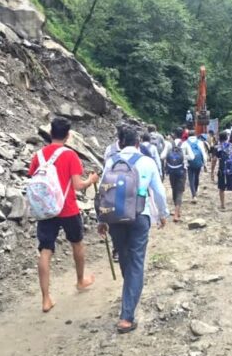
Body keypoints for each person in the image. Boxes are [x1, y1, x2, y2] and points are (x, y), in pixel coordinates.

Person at [97, 128, 169, 333]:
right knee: (136, 262)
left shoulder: (112, 161)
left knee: (124, 256)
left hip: (115, 217)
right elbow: (159, 191)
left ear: (120, 143)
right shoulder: (147, 162)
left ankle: (129, 293)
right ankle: (126, 317)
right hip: (140, 215)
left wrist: (101, 219)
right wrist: (163, 214)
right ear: (138, 143)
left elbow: (103, 191)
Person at [29, 117, 100, 312]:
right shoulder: (70, 155)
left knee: (45, 250)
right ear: (68, 136)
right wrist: (91, 180)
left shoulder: (39, 155)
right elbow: (77, 185)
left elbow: (33, 177)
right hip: (67, 207)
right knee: (77, 243)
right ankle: (80, 281)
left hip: (46, 209)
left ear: (51, 133)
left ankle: (46, 299)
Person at [215, 132, 232, 213]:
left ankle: (223, 205)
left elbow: (214, 159)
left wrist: (212, 171)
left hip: (222, 170)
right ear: (227, 138)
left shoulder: (218, 147)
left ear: (219, 138)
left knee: (221, 188)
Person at [164, 131, 188, 222]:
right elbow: (192, 157)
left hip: (171, 170)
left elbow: (163, 156)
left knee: (174, 188)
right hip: (181, 170)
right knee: (180, 191)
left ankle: (176, 209)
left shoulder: (169, 144)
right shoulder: (185, 144)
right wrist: (185, 158)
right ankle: (176, 213)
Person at [185, 130, 208, 203]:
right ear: (195, 135)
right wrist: (205, 164)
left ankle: (193, 195)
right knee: (197, 177)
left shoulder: (185, 143)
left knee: (191, 179)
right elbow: (203, 153)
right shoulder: (200, 142)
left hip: (190, 163)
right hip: (198, 162)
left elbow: (184, 155)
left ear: (188, 135)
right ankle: (196, 191)